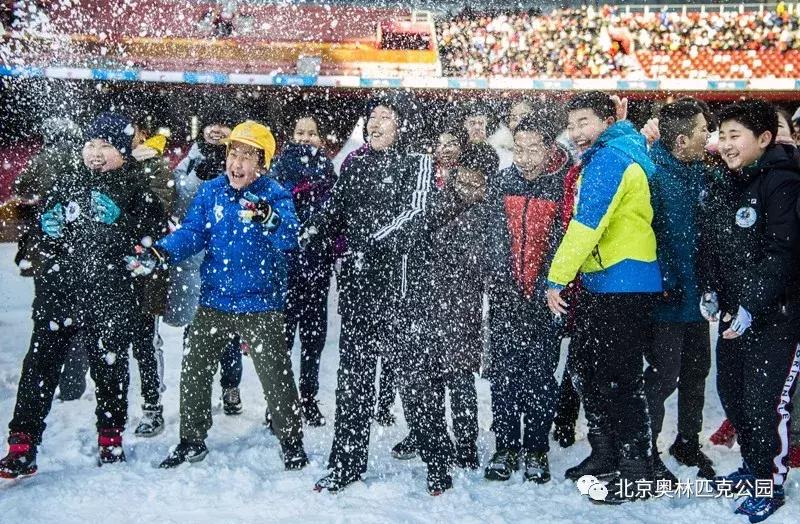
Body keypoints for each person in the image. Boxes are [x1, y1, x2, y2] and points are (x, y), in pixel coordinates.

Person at [304, 91, 479, 495]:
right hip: (359, 296)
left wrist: (367, 246)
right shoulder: (356, 165)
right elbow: (333, 212)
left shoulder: (417, 163)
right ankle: (346, 463)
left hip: (403, 297)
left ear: (403, 125)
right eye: (372, 117)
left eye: (385, 116)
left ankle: (438, 464)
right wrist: (308, 232)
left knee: (417, 387)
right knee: (353, 385)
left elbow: (414, 216)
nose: (375, 123)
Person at [127, 120, 308, 471]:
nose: (236, 163)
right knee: (194, 371)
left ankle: (291, 439)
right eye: (233, 153)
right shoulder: (211, 192)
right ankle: (191, 439)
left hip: (261, 304)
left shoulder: (274, 194)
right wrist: (162, 252)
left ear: (262, 163)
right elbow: (193, 233)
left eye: (247, 156)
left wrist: (268, 218)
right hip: (215, 301)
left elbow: (288, 238)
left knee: (276, 376)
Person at [0, 112, 166, 477]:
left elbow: (155, 245)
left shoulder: (137, 190)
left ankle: (110, 437)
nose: (95, 152)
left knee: (110, 367)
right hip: (59, 293)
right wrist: (45, 231)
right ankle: (22, 444)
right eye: (91, 144)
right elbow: (39, 237)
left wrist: (132, 240)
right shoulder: (66, 183)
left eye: (105, 145)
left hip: (110, 295)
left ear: (123, 152)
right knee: (39, 367)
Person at [546, 91, 662, 504]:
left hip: (624, 282)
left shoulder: (611, 158)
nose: (577, 133)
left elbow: (586, 224)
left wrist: (556, 278)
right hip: (603, 282)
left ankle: (635, 469)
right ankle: (605, 452)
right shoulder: (608, 151)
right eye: (572, 124)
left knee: (618, 377)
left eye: (585, 123)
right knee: (586, 370)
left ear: (605, 121)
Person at [698, 99, 800, 523]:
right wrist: (712, 290)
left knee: (764, 404)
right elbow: (714, 245)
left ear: (763, 139)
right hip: (733, 317)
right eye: (722, 135)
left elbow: (782, 252)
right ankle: (751, 468)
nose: (726, 144)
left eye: (734, 135)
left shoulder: (784, 183)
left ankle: (768, 482)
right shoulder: (725, 180)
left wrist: (752, 304)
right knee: (734, 396)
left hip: (776, 316)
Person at [483, 106, 574, 484]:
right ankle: (505, 446)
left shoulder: (562, 183)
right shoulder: (502, 182)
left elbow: (565, 242)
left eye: (533, 149)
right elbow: (492, 240)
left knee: (540, 377)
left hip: (545, 299)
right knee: (504, 375)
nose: (525, 158)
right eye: (518, 149)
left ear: (549, 148)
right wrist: (501, 282)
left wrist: (546, 287)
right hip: (506, 298)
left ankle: (536, 447)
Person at [391, 132, 490, 470]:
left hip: (462, 308)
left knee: (461, 379)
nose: (467, 186)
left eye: (476, 182)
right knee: (425, 377)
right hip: (427, 302)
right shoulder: (437, 200)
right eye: (463, 178)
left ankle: (466, 443)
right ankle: (427, 434)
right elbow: (416, 235)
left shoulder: (485, 216)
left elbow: (475, 261)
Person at [644, 99, 716, 483]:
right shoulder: (652, 174)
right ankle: (647, 448)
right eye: (705, 129)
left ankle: (688, 441)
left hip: (697, 299)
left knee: (696, 372)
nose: (711, 135)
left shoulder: (702, 172)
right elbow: (645, 236)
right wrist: (665, 282)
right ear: (682, 140)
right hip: (666, 301)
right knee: (663, 377)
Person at [168, 110, 245, 417]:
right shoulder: (191, 158)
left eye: (223, 124)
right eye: (212, 124)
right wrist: (195, 178)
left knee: (230, 330)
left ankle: (230, 386)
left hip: (230, 257)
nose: (216, 130)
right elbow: (180, 202)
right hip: (197, 261)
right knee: (196, 330)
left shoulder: (239, 159)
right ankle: (196, 393)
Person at [270, 112, 337, 426]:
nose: (306, 138)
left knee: (313, 337)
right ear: (292, 135)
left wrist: (332, 244)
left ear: (320, 139)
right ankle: (279, 402)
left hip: (317, 266)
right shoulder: (279, 168)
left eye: (312, 133)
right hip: (285, 266)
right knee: (282, 337)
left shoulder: (327, 169)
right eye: (300, 131)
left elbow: (336, 215)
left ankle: (308, 397)